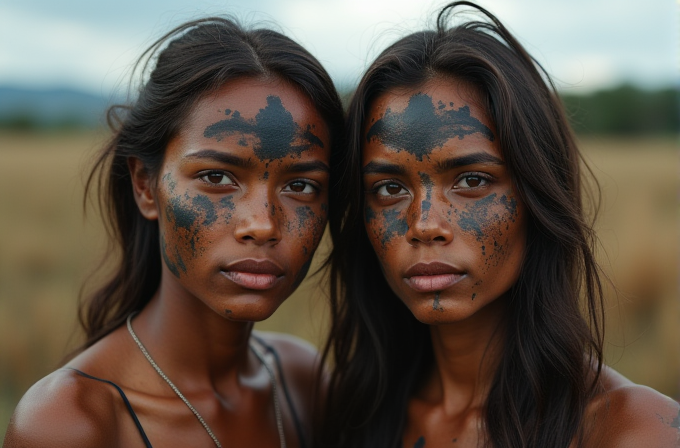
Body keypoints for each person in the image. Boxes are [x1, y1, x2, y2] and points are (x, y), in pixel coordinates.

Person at [319, 2, 679, 447]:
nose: (425, 224)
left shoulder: (634, 430)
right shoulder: (345, 415)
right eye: (390, 189)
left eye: (472, 180)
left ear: (537, 194)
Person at [4, 16, 343, 448]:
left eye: (301, 186)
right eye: (217, 178)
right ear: (146, 184)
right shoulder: (70, 423)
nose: (263, 224)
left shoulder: (302, 383)